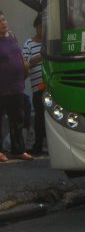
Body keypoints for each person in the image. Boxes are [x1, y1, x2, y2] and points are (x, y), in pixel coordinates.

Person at [0, 11, 33, 161]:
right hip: (1, 87)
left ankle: (18, 150)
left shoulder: (11, 36)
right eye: (0, 22)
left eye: (4, 20)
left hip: (16, 86)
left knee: (17, 119)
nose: (3, 23)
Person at [23, 14, 45, 155]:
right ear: (36, 27)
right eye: (40, 27)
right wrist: (42, 56)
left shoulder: (52, 42)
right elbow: (25, 65)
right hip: (38, 87)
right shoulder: (29, 44)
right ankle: (38, 145)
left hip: (53, 86)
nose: (42, 30)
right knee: (39, 117)